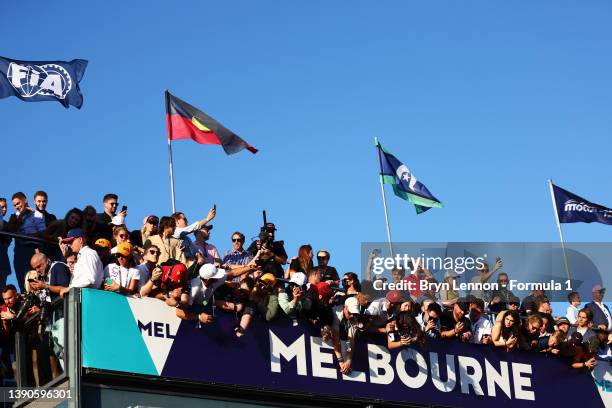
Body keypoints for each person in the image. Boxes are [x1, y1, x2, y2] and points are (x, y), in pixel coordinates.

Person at [5, 192, 46, 293]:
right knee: (21, 281)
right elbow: (9, 231)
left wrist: (28, 238)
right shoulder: (14, 217)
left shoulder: (37, 214)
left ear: (25, 200)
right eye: (15, 205)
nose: (17, 207)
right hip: (18, 253)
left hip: (32, 251)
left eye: (18, 203)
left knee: (31, 279)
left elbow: (42, 233)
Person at [59, 229, 104, 297]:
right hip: (85, 296)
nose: (68, 245)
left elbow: (90, 279)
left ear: (80, 240)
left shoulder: (88, 253)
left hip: (89, 297)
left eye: (71, 242)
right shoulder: (83, 255)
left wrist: (69, 288)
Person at [0, 197, 12, 289]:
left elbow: (7, 242)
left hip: (2, 261)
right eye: (2, 207)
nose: (4, 209)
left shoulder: (7, 225)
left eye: (5, 207)